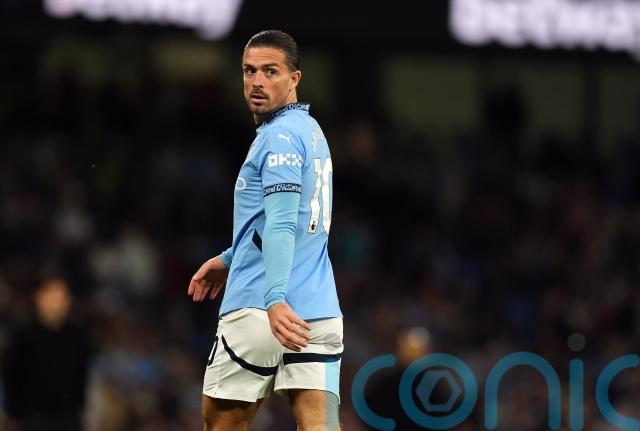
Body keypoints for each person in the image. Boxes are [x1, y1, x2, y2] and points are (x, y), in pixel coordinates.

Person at [187, 30, 343, 431]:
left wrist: (274, 298)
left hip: (261, 307)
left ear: (294, 78)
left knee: (222, 426)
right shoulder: (311, 131)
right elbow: (294, 223)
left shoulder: (278, 137)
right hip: (318, 312)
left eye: (270, 71)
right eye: (249, 71)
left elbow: (282, 222)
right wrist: (229, 258)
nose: (256, 81)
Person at [2, 277, 91, 431]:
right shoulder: (24, 335)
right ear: (38, 298)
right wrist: (13, 412)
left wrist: (82, 407)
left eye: (61, 296)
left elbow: (82, 373)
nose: (56, 301)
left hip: (69, 415)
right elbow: (12, 375)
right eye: (51, 296)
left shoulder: (77, 335)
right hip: (33, 416)